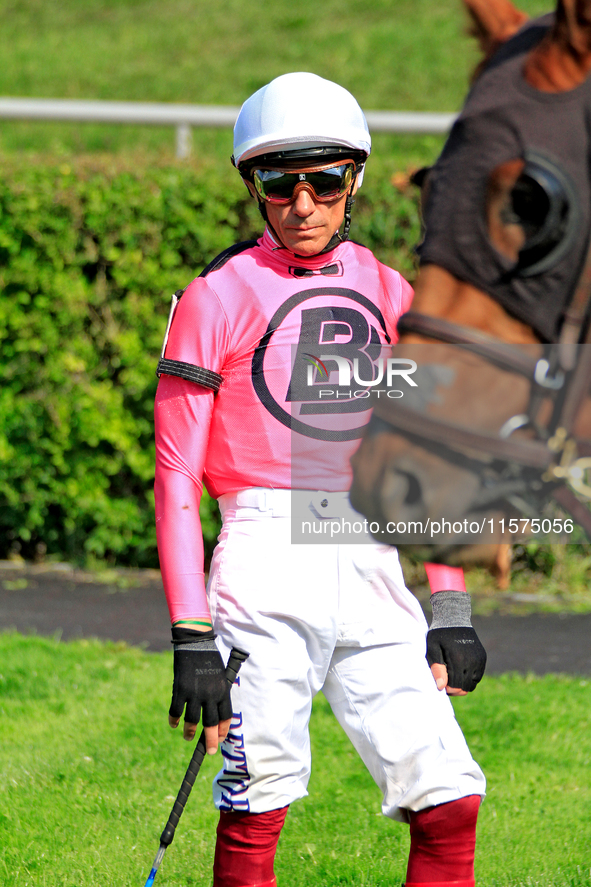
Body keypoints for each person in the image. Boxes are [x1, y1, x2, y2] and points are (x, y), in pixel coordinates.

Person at [154, 72, 487, 887]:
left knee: (448, 799)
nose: (302, 204)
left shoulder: (390, 290)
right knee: (258, 802)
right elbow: (175, 475)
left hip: (370, 556)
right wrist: (190, 631)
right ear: (254, 188)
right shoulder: (214, 297)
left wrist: (448, 605)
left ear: (353, 181)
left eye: (324, 180)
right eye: (279, 182)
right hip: (263, 562)